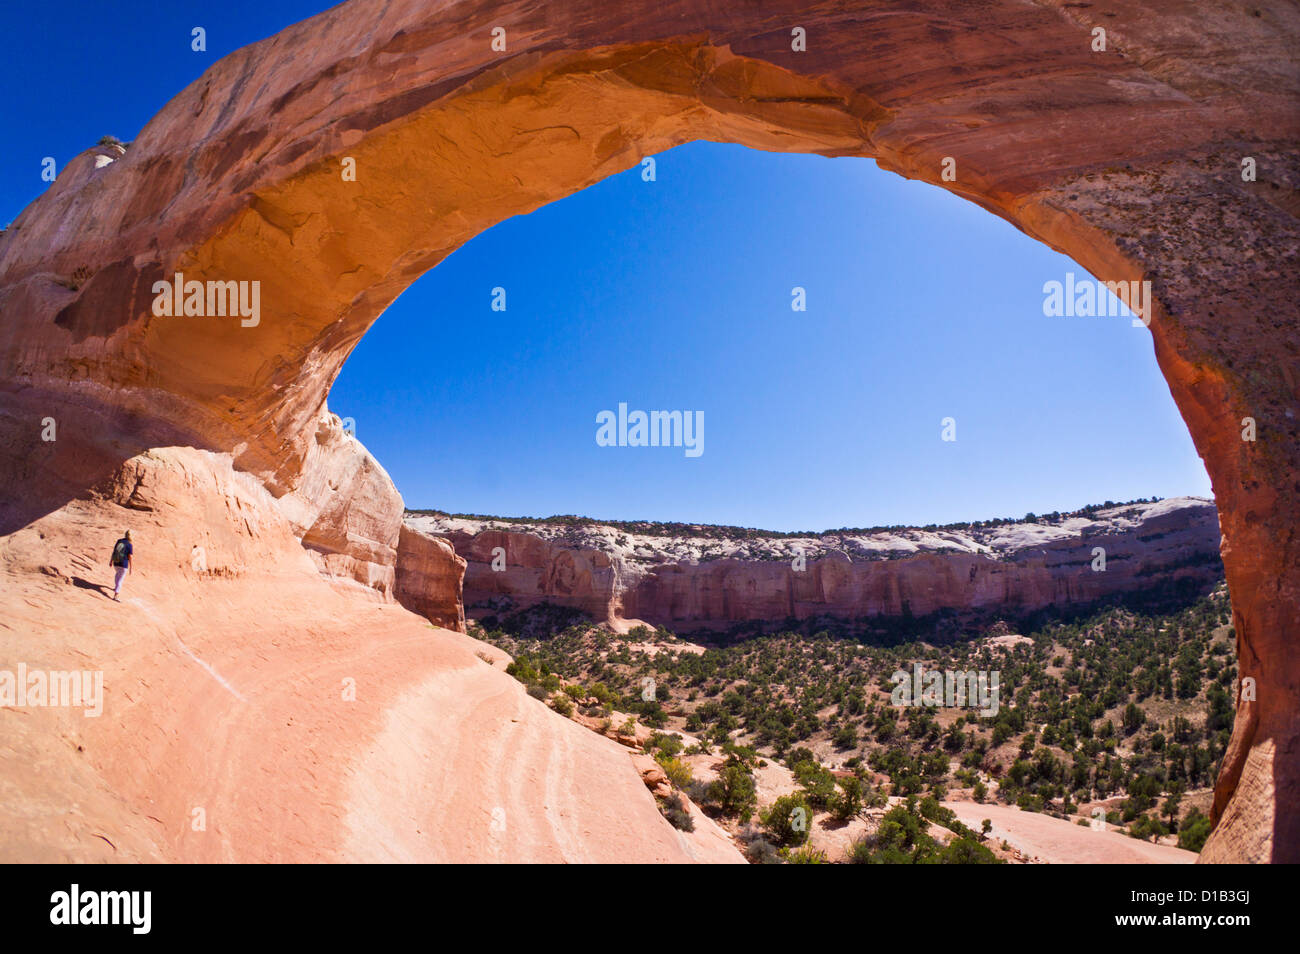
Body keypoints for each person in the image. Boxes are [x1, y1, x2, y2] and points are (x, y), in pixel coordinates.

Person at [109, 530, 133, 601]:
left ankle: (116, 588)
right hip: (123, 564)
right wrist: (131, 567)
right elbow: (130, 557)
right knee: (120, 579)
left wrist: (111, 561)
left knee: (117, 575)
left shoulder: (119, 541)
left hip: (116, 562)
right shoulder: (129, 544)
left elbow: (114, 551)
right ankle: (116, 595)